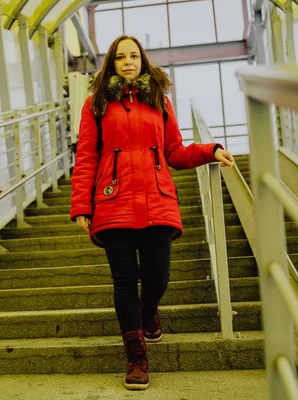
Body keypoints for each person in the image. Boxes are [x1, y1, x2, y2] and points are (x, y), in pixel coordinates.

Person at [70, 35, 234, 390]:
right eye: (120, 57)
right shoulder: (95, 104)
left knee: (158, 278)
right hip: (113, 202)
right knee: (125, 282)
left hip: (157, 199)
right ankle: (136, 357)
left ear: (142, 61)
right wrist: (82, 204)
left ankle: (148, 311)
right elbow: (86, 156)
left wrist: (211, 150)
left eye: (134, 56)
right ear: (111, 63)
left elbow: (174, 151)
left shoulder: (160, 101)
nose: (128, 62)